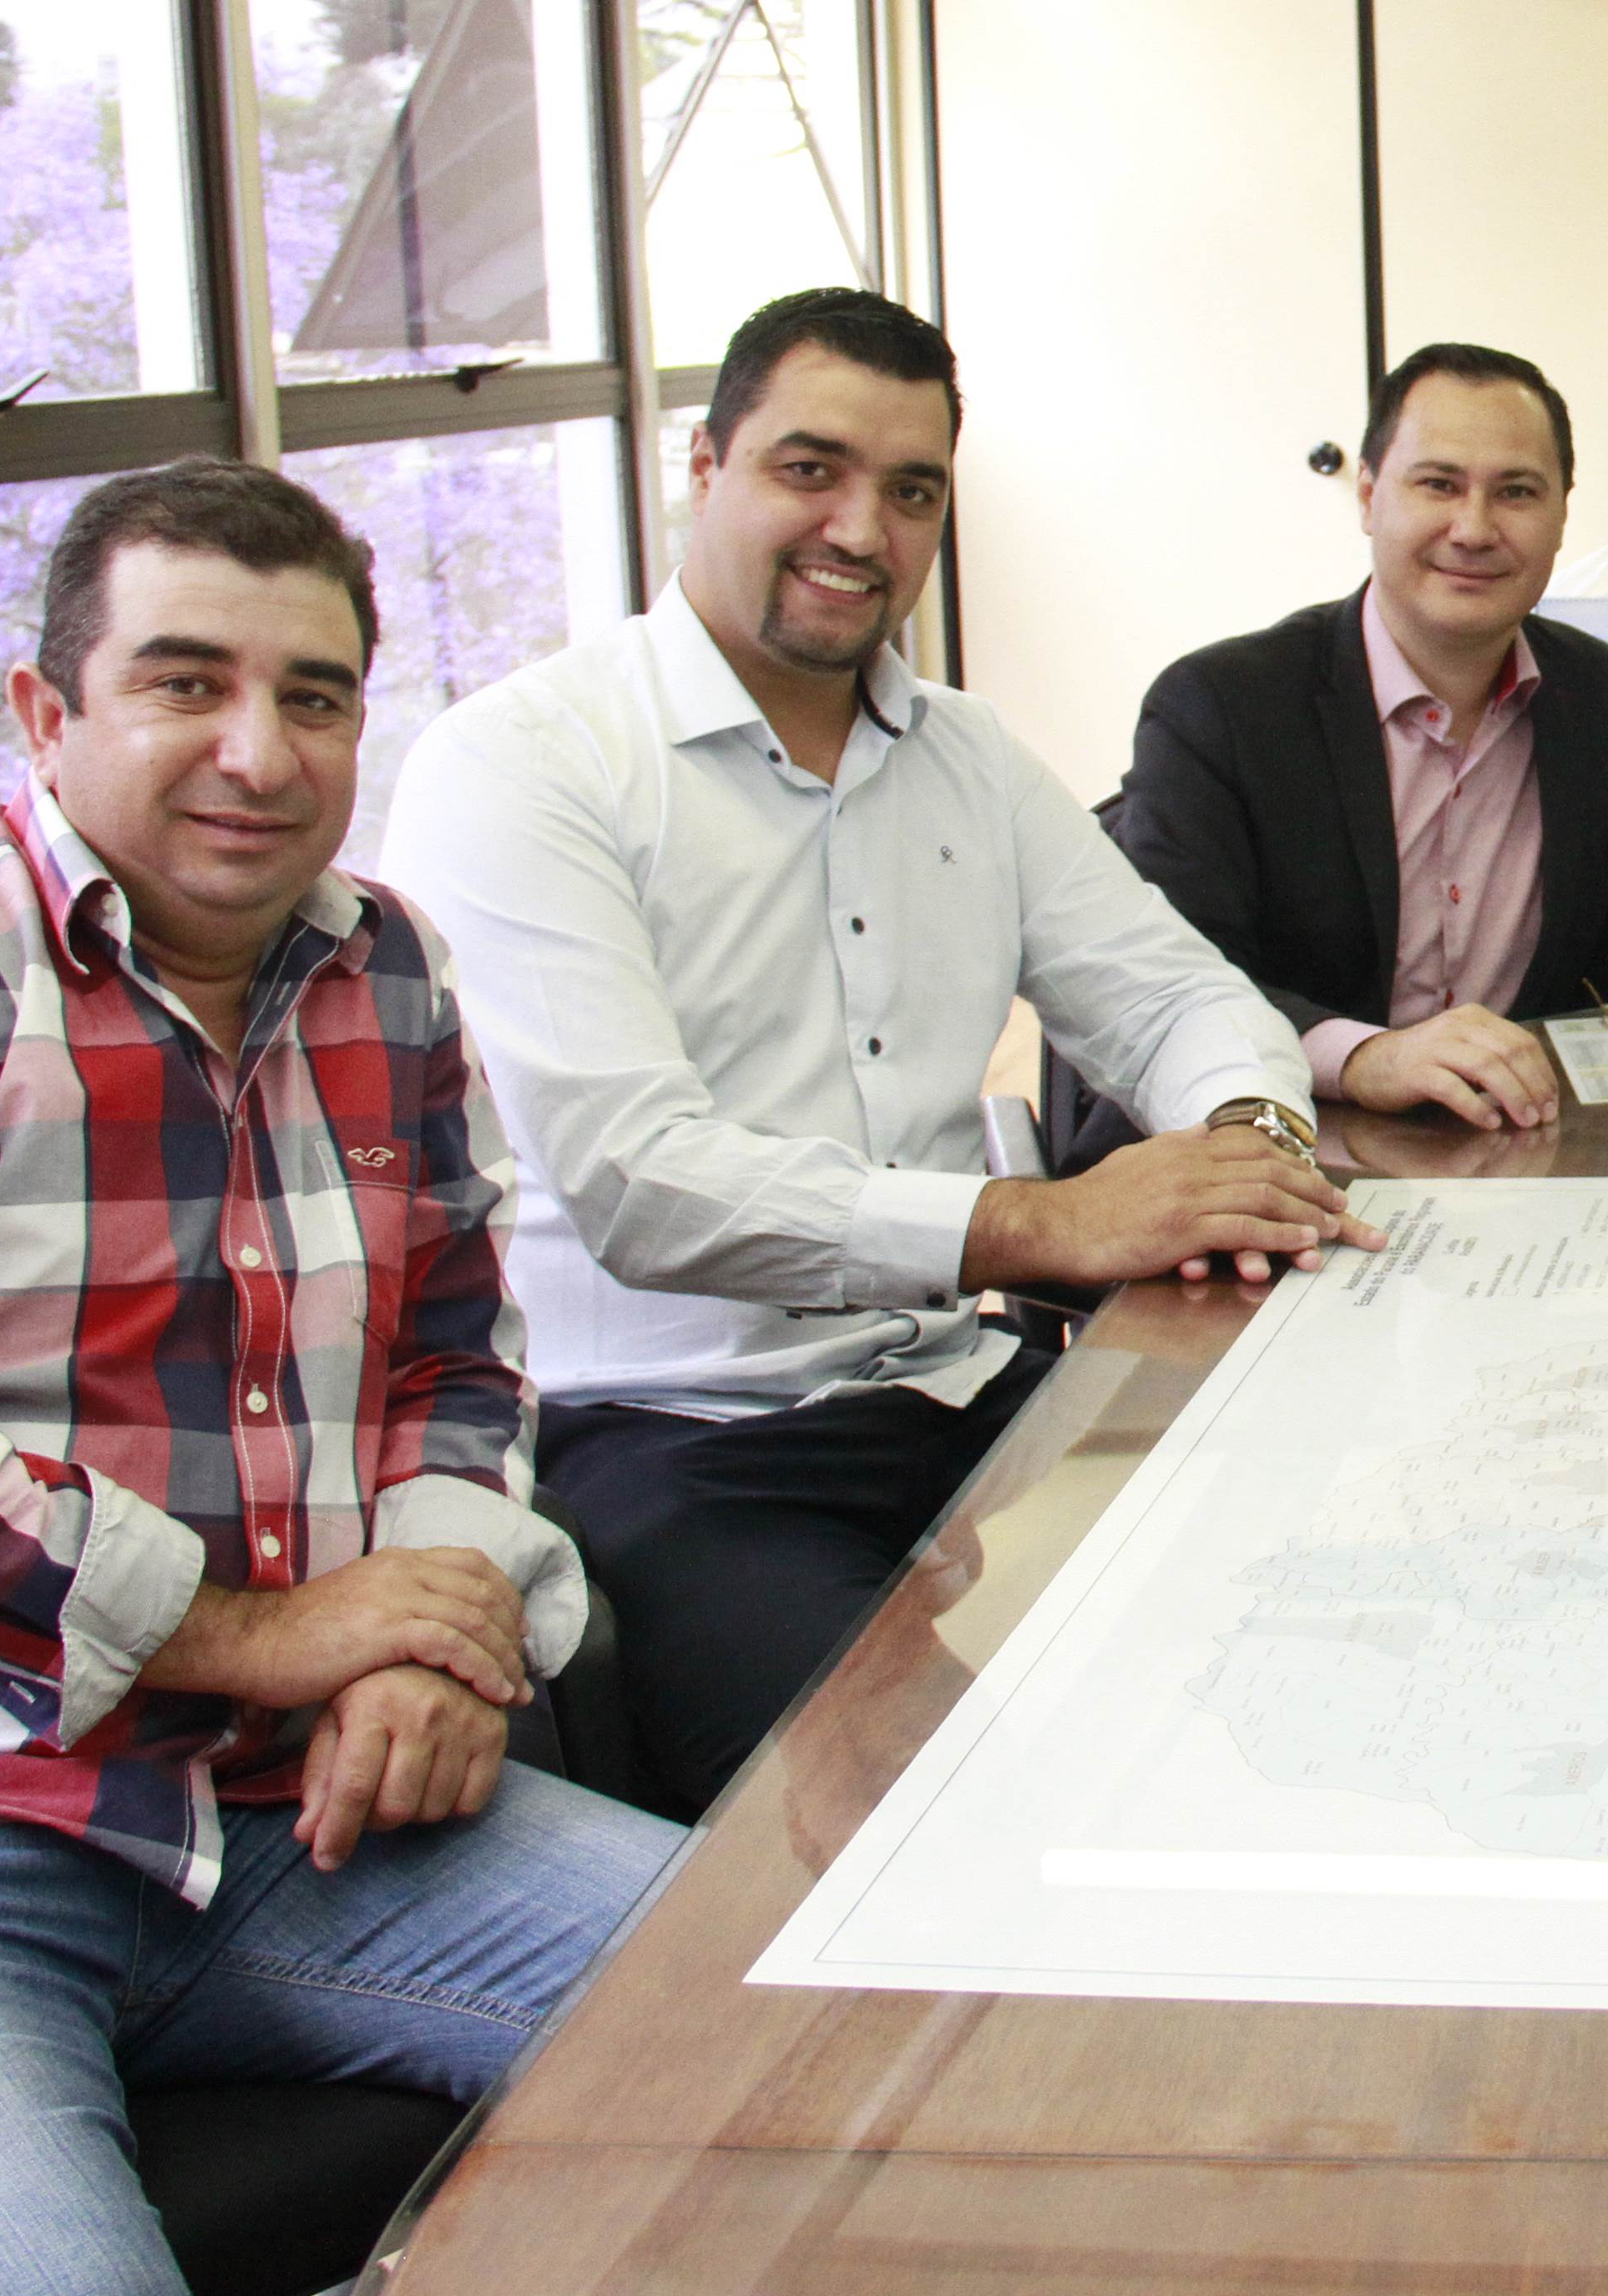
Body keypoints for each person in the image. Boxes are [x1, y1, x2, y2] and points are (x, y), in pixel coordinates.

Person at [0, 460, 680, 2296]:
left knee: (852, 2032)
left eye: (313, 696)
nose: (258, 752)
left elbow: (452, 1354)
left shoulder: (385, 968)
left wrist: (421, 1635)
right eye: (187, 682)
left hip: (266, 1810)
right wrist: (274, 1633)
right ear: (47, 711)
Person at [381, 290, 1380, 1818]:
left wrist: (1255, 1149)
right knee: (936, 1815)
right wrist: (1040, 1220)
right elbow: (642, 1185)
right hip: (672, 1442)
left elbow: (1180, 997)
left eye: (911, 491)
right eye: (811, 469)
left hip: (959, 1383)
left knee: (1324, 1624)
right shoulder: (523, 764)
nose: (862, 529)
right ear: (702, 466)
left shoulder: (966, 753)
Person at [1120, 342, 1608, 1133]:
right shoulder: (1221, 707)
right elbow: (1171, 981)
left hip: (1521, 1143)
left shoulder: (1606, 699)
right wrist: (1365, 1057)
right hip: (1280, 1134)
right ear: (1370, 496)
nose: (1474, 528)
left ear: (1560, 516)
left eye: (1516, 492)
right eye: (1438, 484)